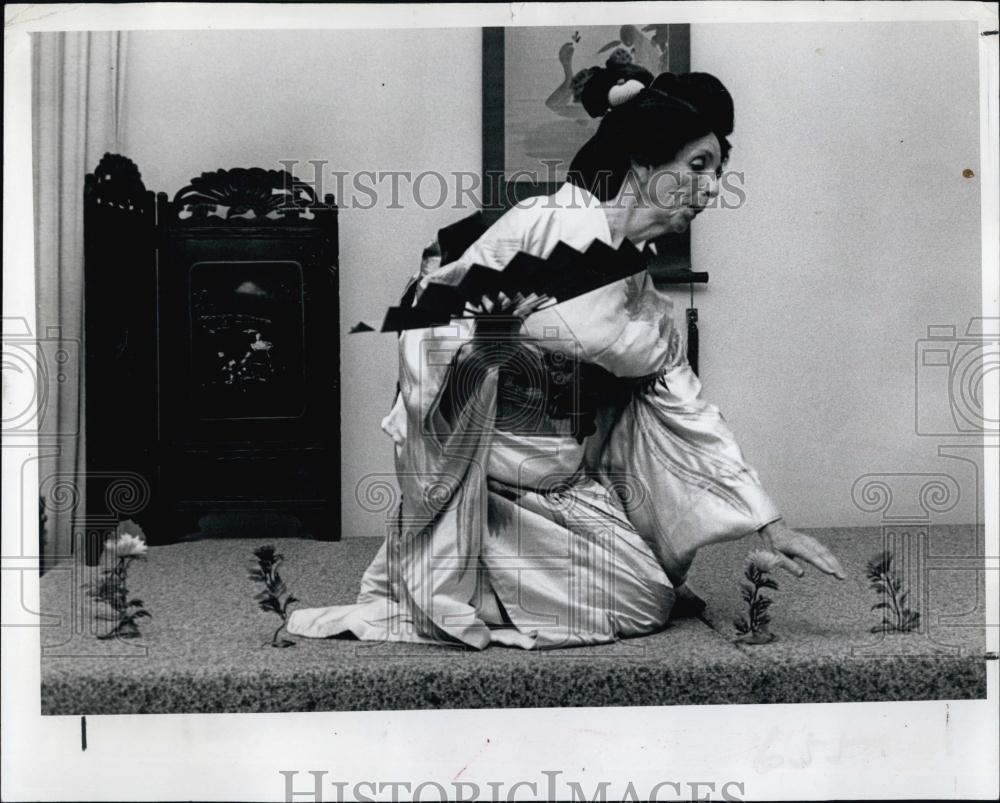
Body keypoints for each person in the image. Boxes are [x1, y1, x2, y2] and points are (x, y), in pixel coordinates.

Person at [287, 70, 845, 650]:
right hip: (491, 483)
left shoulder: (644, 297)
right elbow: (432, 319)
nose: (709, 190)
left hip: (563, 481)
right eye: (698, 166)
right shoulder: (545, 223)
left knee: (646, 595)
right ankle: (464, 576)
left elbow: (688, 408)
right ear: (644, 160)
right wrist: (492, 350)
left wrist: (768, 522)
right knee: (636, 602)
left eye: (718, 174)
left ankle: (495, 586)